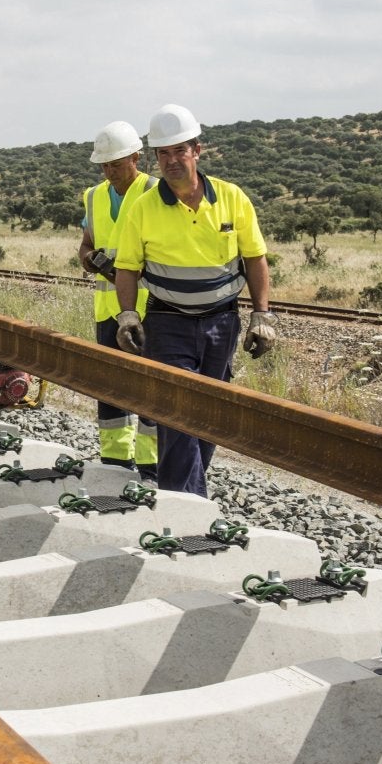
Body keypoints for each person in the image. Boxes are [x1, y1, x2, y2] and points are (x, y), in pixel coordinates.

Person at [112, 104, 278, 497]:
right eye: (163, 153)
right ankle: (187, 504)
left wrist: (262, 315)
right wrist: (128, 315)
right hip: (167, 323)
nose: (172, 160)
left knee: (211, 413)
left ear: (197, 151)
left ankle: (187, 494)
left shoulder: (232, 198)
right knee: (177, 411)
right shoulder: (144, 208)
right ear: (156, 158)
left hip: (222, 322)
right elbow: (127, 268)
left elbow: (255, 258)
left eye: (179, 151)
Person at [77, 121, 159, 476]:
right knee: (110, 387)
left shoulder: (154, 191)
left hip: (148, 310)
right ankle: (115, 462)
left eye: (116, 164)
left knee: (149, 387)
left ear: (136, 158)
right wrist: (89, 259)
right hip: (107, 311)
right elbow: (86, 244)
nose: (109, 172)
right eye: (104, 165)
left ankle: (151, 465)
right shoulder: (94, 196)